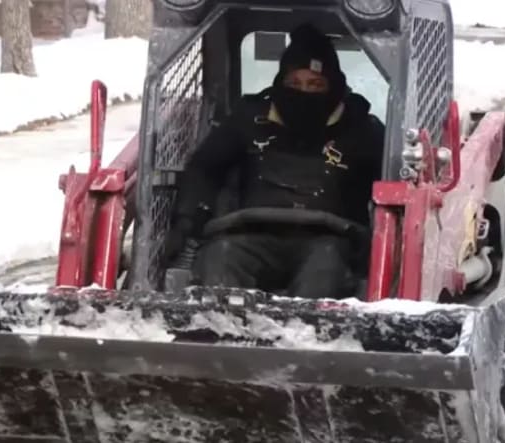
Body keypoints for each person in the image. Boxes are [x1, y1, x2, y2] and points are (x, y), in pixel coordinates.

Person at [165, 23, 385, 299]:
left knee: (324, 271)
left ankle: (308, 338)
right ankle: (217, 334)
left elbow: (391, 183)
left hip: (328, 240)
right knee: (219, 257)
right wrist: (187, 219)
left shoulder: (362, 130)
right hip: (249, 232)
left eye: (315, 85)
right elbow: (204, 167)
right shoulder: (250, 119)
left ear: (334, 86)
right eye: (294, 84)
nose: (304, 92)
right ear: (281, 82)